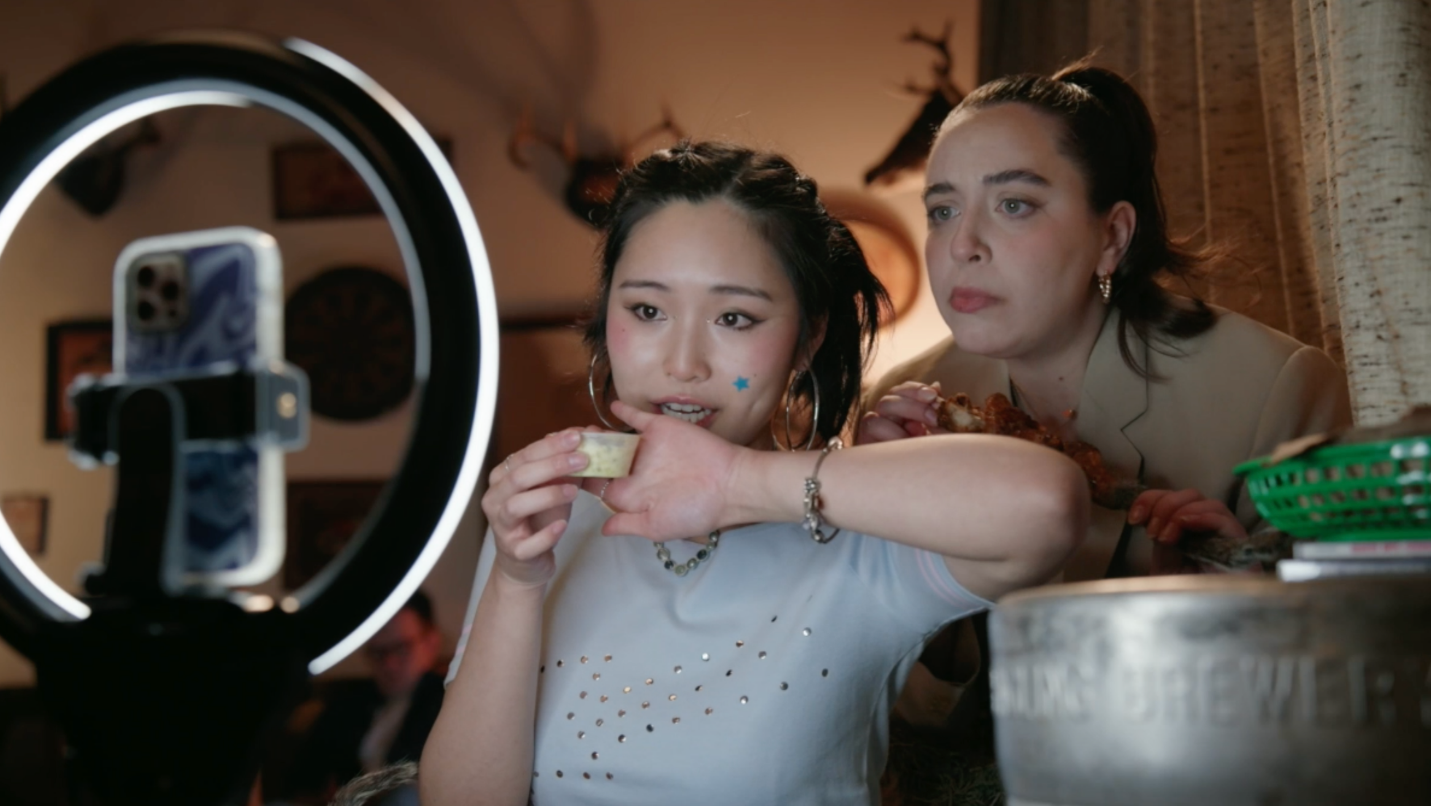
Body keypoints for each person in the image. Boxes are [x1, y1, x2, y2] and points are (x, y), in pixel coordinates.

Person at [420, 141, 1089, 806]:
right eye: (647, 310)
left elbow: (1050, 504)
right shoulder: (552, 522)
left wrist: (735, 482)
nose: (683, 364)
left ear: (807, 338)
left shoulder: (861, 534)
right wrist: (515, 578)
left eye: (734, 317)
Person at [858, 58, 1353, 782]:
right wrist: (892, 546)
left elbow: (1342, 700)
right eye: (941, 210)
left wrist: (1228, 607)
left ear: (1112, 236)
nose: (962, 244)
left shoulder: (1275, 391)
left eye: (1014, 204)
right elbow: (886, 712)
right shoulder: (900, 408)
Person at [283, 591, 446, 804]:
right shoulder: (346, 706)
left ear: (431, 643)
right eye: (378, 653)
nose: (389, 664)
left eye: (401, 649)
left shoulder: (447, 704)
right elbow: (301, 778)